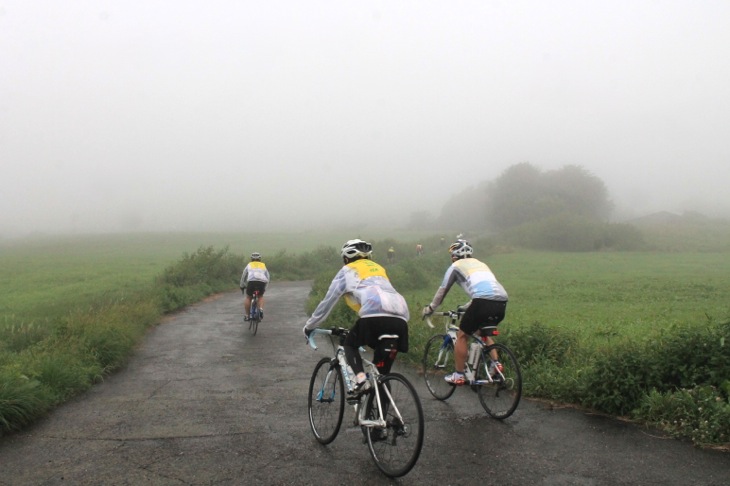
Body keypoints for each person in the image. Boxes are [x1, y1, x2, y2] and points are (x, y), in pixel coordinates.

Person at [303, 239, 410, 394]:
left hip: (374, 317)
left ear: (346, 258)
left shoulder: (348, 270)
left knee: (349, 344)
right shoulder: (379, 268)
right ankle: (384, 416)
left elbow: (328, 301)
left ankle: (360, 379)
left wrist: (310, 326)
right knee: (382, 375)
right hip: (401, 320)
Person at [422, 240, 508, 385]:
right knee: (483, 333)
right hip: (502, 302)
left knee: (462, 336)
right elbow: (485, 289)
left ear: (455, 255)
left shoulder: (455, 266)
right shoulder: (482, 264)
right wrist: (465, 307)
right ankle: (496, 364)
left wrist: (430, 309)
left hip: (481, 302)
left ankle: (458, 375)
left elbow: (442, 290)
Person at [240, 252, 270, 321]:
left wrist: (242, 285)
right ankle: (261, 309)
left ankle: (247, 316)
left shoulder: (249, 264)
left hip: (251, 282)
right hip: (261, 282)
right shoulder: (263, 265)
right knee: (260, 296)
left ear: (251, 259)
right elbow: (268, 277)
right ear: (260, 259)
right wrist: (265, 288)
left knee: (248, 297)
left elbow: (244, 275)